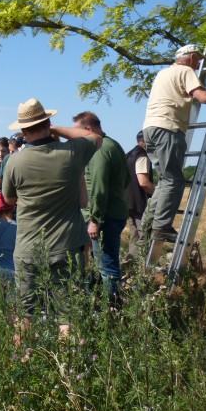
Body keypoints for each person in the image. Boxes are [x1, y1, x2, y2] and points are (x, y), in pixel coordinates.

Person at [2, 99, 101, 338]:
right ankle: (68, 370)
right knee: (67, 315)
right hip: (66, 245)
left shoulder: (14, 161)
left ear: (23, 131)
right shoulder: (71, 152)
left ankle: (21, 364)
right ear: (48, 122)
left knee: (25, 313)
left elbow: (9, 199)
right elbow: (95, 137)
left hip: (28, 247)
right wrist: (55, 129)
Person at [142, 44, 206, 242]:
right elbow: (204, 98)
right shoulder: (185, 71)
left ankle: (147, 226)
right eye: (198, 59)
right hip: (168, 128)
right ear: (190, 57)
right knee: (174, 180)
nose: (199, 63)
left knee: (164, 180)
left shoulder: (163, 73)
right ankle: (161, 227)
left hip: (150, 129)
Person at [73, 111, 129, 305]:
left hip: (104, 218)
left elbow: (98, 188)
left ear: (88, 129)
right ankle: (102, 305)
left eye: (77, 131)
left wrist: (95, 220)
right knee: (101, 264)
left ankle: (111, 312)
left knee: (107, 266)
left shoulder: (100, 150)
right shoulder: (114, 145)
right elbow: (126, 180)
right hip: (114, 212)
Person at [124, 131, 154, 262]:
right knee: (143, 236)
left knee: (134, 235)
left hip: (127, 202)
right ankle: (142, 266)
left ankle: (131, 263)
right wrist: (158, 195)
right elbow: (144, 182)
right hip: (139, 203)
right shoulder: (142, 156)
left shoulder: (128, 155)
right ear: (147, 142)